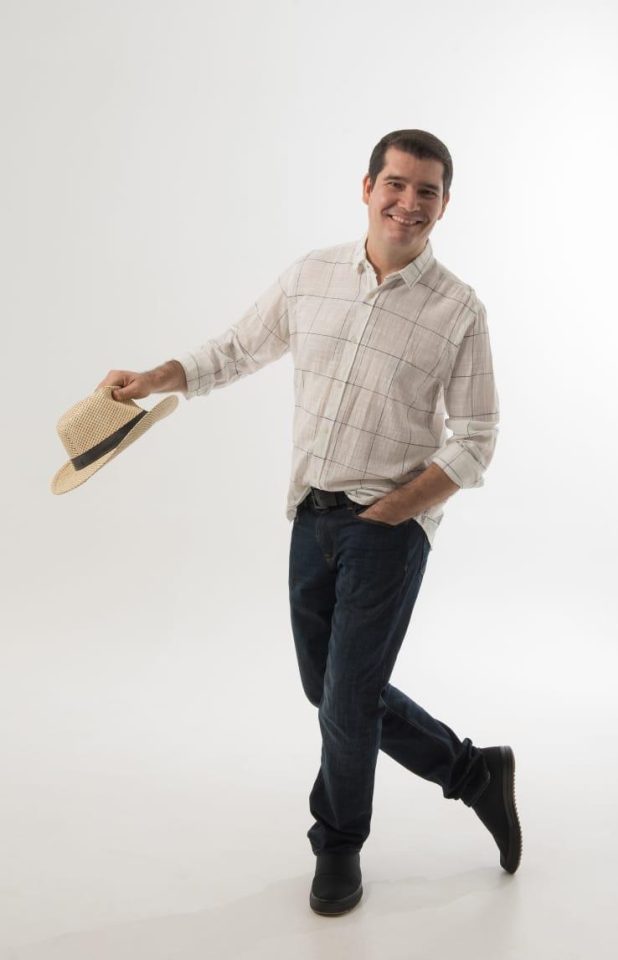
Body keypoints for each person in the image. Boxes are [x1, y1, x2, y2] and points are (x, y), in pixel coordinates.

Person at [98, 128, 521, 916]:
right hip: (310, 515)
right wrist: (159, 377)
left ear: (444, 205)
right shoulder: (312, 276)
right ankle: (473, 773)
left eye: (427, 191)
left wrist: (395, 510)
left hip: (388, 528)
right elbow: (235, 350)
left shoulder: (458, 309)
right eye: (396, 184)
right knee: (326, 690)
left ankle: (338, 844)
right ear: (367, 187)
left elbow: (478, 438)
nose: (409, 203)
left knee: (349, 699)